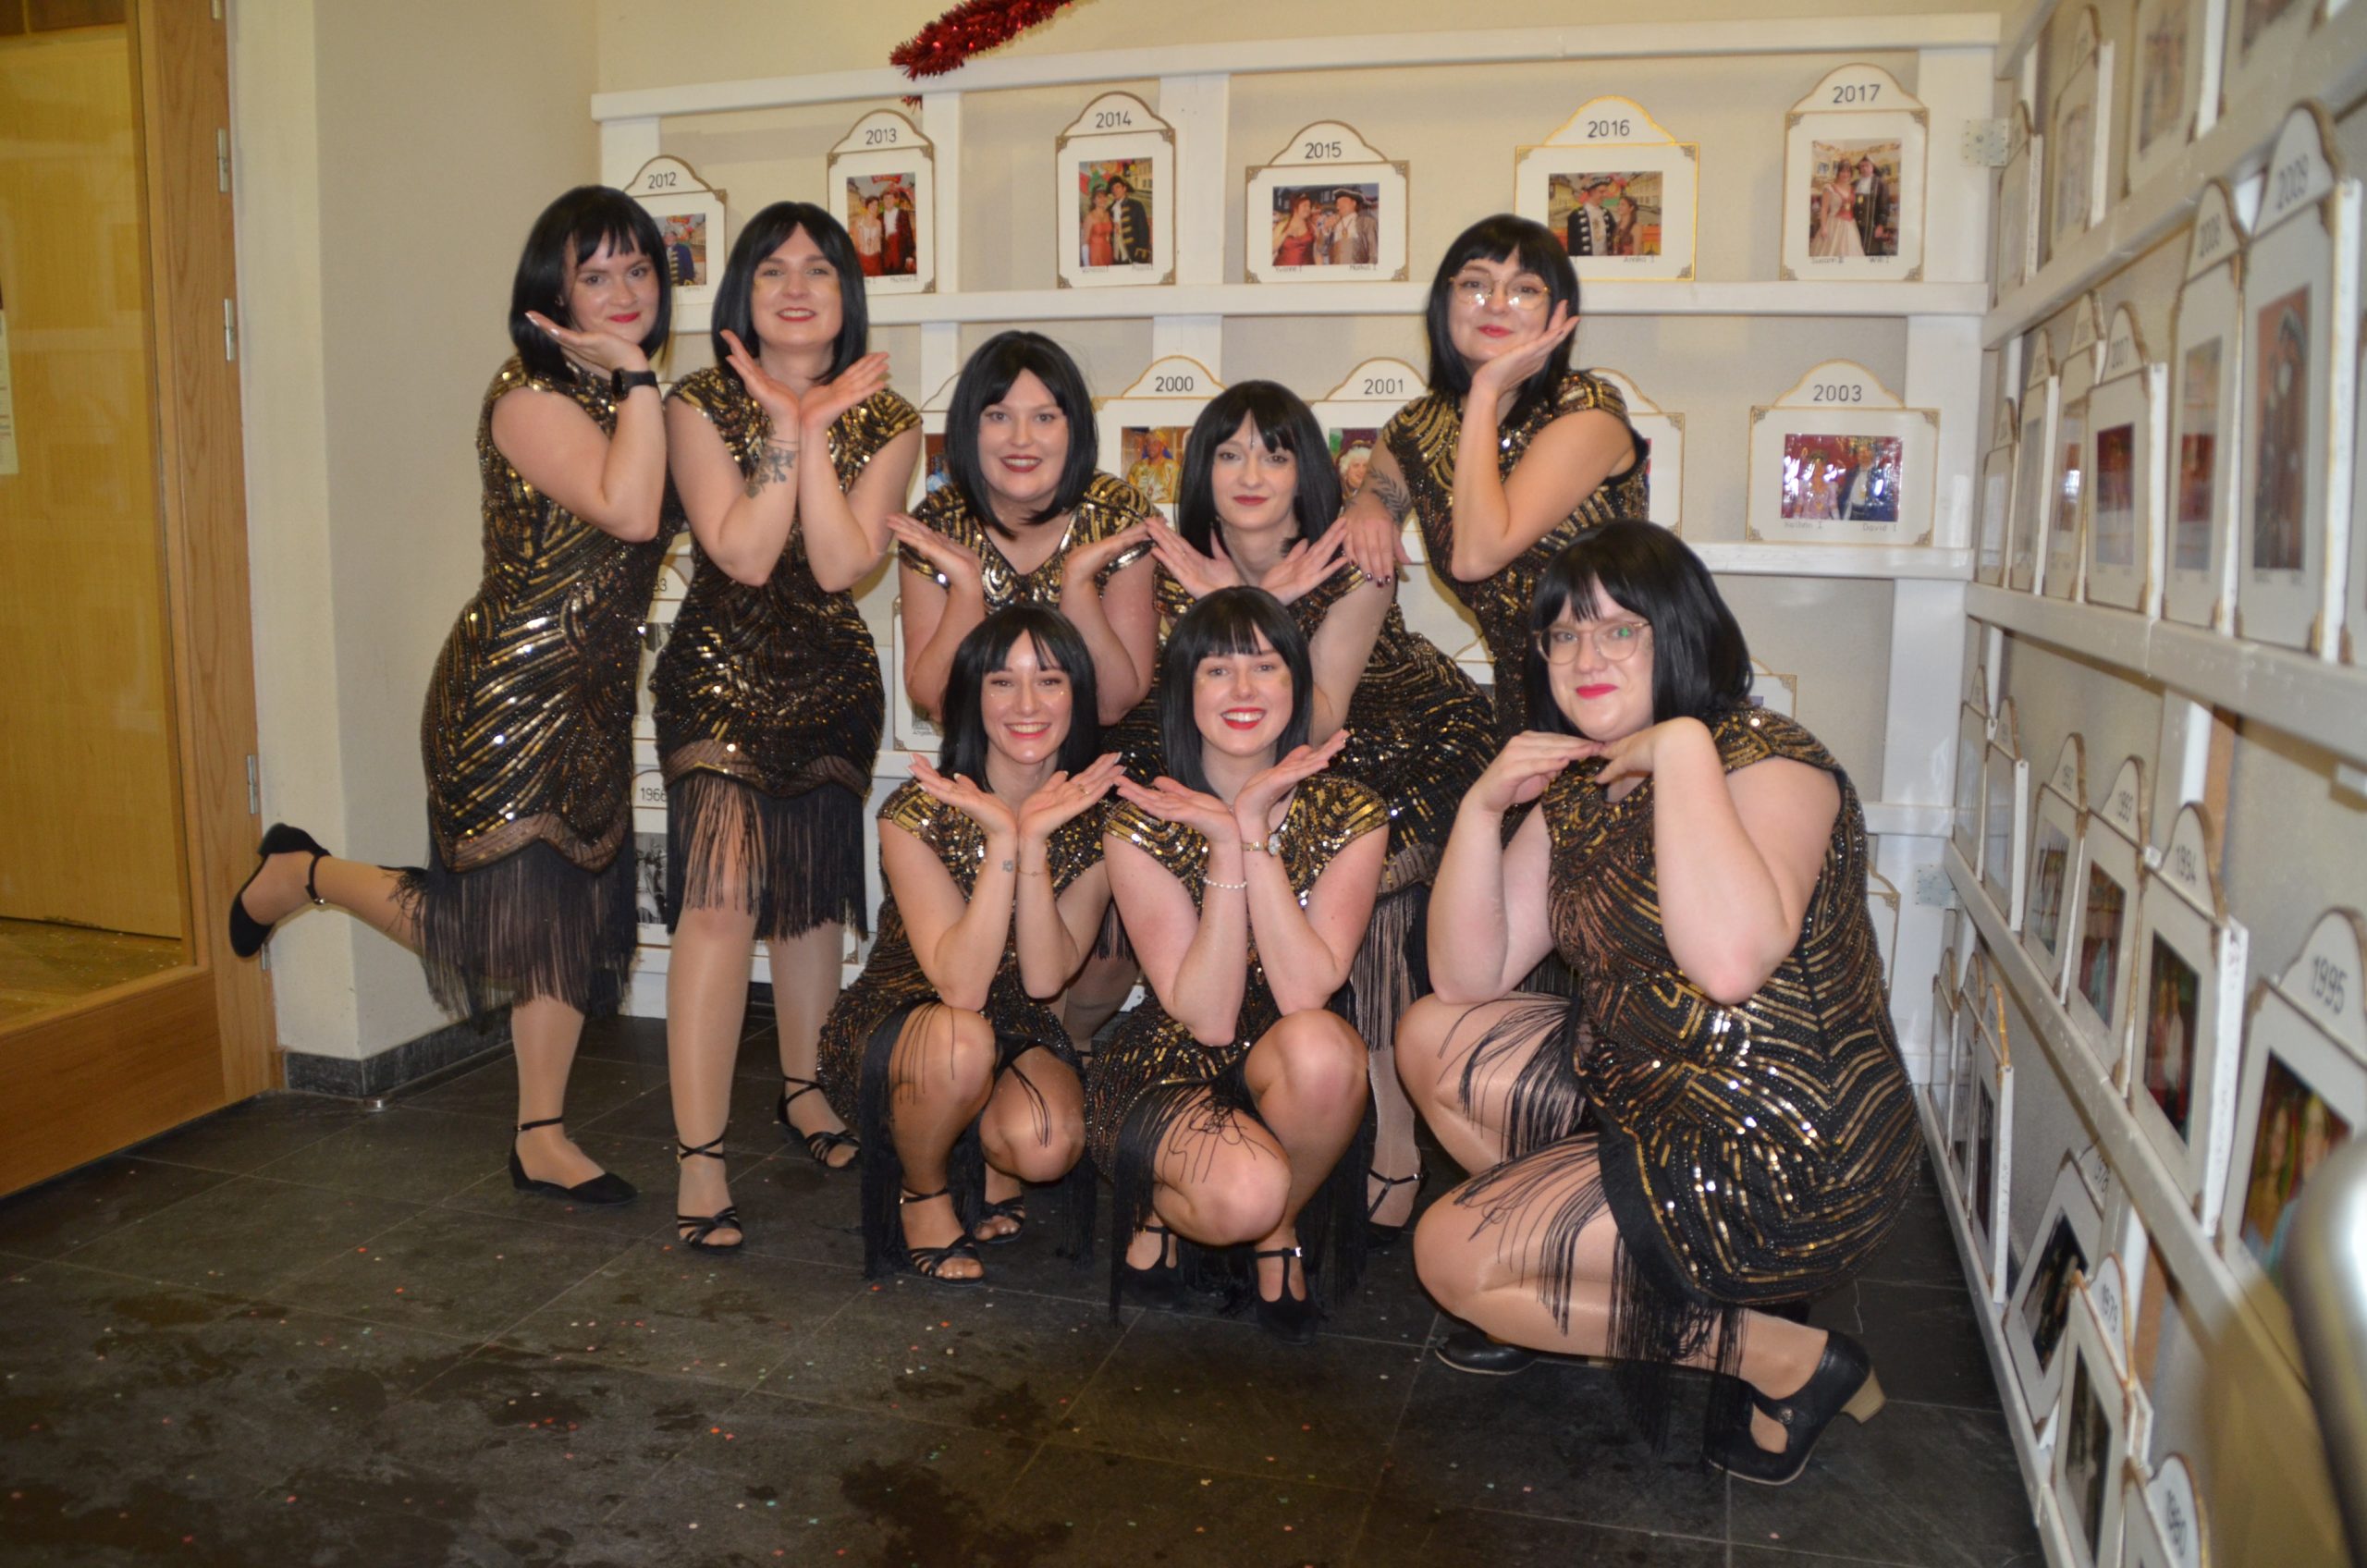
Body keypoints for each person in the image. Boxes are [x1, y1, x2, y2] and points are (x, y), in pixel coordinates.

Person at [1396, 522, 1919, 1483]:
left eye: (1618, 629)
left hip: (1787, 1151)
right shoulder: (1583, 780)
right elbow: (1469, 976)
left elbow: (1728, 964)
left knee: (1450, 1259)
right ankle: (1590, 1278)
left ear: (1680, 632)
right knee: (1434, 1036)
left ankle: (1786, 1359)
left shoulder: (1771, 761)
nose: (1584, 657)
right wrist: (1481, 808)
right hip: (1656, 1095)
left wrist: (1681, 751)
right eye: (1563, 634)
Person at [226, 186, 674, 1207]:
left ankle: (542, 1136)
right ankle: (305, 872)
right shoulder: (530, 397)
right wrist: (644, 378)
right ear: (551, 295)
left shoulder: (635, 399)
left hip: (595, 704)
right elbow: (632, 510)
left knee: (566, 927)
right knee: (491, 934)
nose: (623, 291)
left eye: (639, 268)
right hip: (504, 699)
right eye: (595, 274)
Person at [1147, 382, 1493, 1242]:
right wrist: (1230, 599)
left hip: (1387, 741)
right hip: (1251, 752)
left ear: (1306, 469)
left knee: (1374, 877)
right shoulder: (1174, 563)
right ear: (1201, 471)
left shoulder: (1353, 554)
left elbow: (1320, 715)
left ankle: (1396, 1139)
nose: (1251, 474)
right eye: (1229, 454)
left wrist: (1254, 603)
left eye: (1274, 455)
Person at [651, 201, 920, 1250]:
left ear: (846, 296)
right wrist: (785, 425)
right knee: (721, 907)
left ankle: (805, 1091)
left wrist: (813, 426)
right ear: (741, 294)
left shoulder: (889, 419)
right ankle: (699, 1156)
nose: (796, 288)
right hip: (717, 679)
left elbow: (842, 562)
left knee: (808, 907)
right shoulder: (695, 402)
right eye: (772, 270)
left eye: (818, 269)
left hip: (831, 684)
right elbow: (746, 552)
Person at [1088, 588, 1384, 1342]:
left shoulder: (1350, 812)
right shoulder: (1139, 820)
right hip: (1170, 1060)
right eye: (1218, 670)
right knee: (1240, 1196)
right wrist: (1223, 846)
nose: (1244, 689)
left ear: (1297, 684)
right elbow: (1211, 1020)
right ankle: (1173, 1206)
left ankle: (1276, 1232)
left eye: (1266, 666)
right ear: (1185, 693)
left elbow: (1305, 991)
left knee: (1325, 1049)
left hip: (1291, 1063)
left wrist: (1251, 830)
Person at [816, 608, 1119, 1281]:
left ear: (1078, 696)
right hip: (906, 1019)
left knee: (1046, 1147)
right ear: (971, 699)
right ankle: (923, 1191)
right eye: (1002, 683)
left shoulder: (1097, 824)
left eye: (1050, 681)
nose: (1028, 704)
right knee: (961, 1041)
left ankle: (975, 1148)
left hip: (1015, 1020)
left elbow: (1043, 981)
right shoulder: (915, 811)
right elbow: (960, 986)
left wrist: (1032, 842)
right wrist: (1002, 841)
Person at [891, 330, 1157, 1044]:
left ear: (1075, 428)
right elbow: (936, 697)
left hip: (1102, 763)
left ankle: (1060, 1055)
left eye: (1045, 416)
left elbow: (1114, 699)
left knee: (1095, 964)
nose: (1022, 438)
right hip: (991, 763)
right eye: (999, 415)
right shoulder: (940, 521)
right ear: (968, 427)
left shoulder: (1113, 511)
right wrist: (965, 588)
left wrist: (1079, 585)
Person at [1340, 213, 1648, 738]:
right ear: (1445, 301)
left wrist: (1485, 391)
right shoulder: (1420, 426)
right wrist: (1368, 505)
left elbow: (1477, 556)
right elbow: (1375, 488)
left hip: (1619, 693)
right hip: (1521, 707)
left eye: (1525, 289)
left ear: (1558, 312)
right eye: (1475, 284)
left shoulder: (1586, 408)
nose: (1498, 304)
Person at [1811, 168, 1866, 261]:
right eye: (1843, 171)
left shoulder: (1853, 188)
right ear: (1838, 173)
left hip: (1850, 225)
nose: (1845, 174)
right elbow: (1824, 209)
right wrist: (1823, 227)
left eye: (1848, 172)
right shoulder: (1829, 188)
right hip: (1834, 224)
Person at [1322, 189, 1380, 266]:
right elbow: (1321, 250)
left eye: (1343, 201)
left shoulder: (1368, 223)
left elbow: (1374, 255)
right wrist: (1325, 229)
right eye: (1337, 203)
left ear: (1353, 203)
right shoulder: (1333, 226)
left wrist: (1366, 272)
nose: (1339, 206)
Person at [1109, 176, 1152, 264]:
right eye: (1112, 188)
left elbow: (1143, 230)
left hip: (1132, 254)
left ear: (1124, 189)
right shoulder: (1110, 209)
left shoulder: (1136, 205)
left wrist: (1140, 257)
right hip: (1115, 255)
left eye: (1117, 187)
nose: (1114, 190)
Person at [1853, 154, 1890, 257]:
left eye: (1867, 165)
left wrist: (1881, 226)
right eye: (1862, 166)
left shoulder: (1881, 183)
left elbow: (1885, 206)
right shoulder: (1855, 183)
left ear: (1872, 167)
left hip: (1873, 226)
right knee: (1856, 252)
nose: (1864, 168)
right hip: (1855, 226)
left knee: (1870, 254)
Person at [1272, 191, 1320, 268]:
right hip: (1284, 271)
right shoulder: (1282, 226)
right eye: (1305, 205)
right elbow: (1271, 249)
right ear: (1295, 206)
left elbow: (1317, 253)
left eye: (1309, 206)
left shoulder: (1312, 228)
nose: (1308, 209)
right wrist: (1285, 233)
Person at [852, 197, 886, 278]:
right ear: (867, 205)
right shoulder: (858, 222)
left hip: (875, 259)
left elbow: (878, 242)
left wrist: (879, 258)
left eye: (876, 205)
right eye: (871, 204)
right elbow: (854, 243)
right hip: (861, 259)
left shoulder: (878, 223)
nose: (874, 206)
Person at [1085, 187, 1116, 269]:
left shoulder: (1108, 214)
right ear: (1094, 200)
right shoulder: (1090, 217)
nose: (1103, 199)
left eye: (1104, 197)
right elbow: (1085, 242)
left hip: (1108, 250)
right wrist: (1086, 265)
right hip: (1095, 253)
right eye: (1099, 197)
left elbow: (1110, 232)